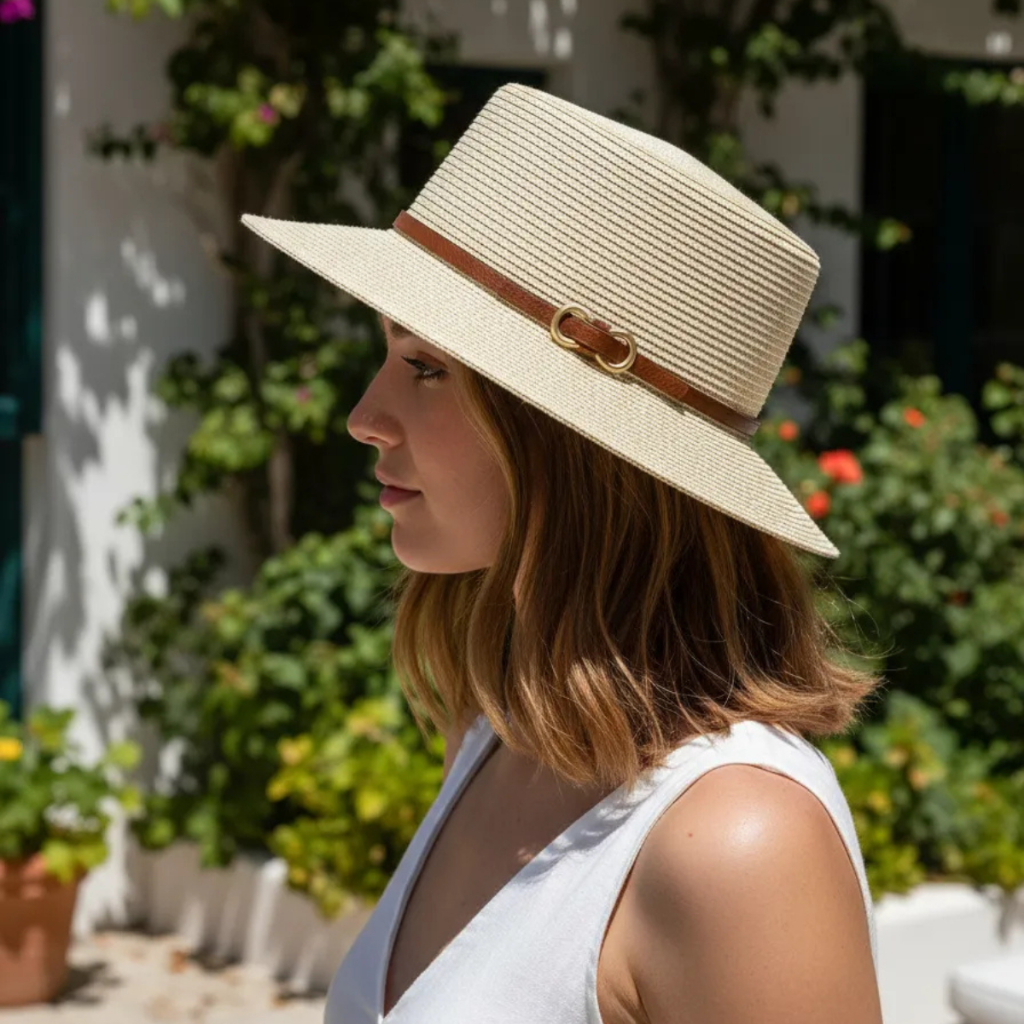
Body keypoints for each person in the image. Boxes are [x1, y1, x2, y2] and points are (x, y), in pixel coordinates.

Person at [242, 83, 885, 1024]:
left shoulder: (740, 847)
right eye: (389, 354)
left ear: (572, 443)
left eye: (427, 369)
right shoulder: (502, 734)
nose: (364, 418)